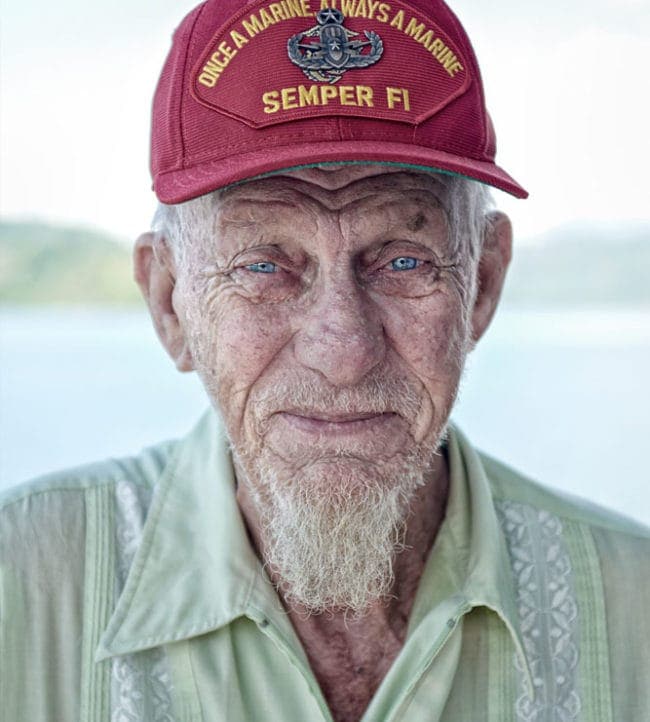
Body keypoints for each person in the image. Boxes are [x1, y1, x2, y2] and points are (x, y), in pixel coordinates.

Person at [1, 0, 649, 720]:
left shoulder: (636, 610)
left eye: (403, 260)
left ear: (482, 286)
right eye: (262, 267)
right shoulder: (19, 584)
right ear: (169, 302)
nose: (342, 352)